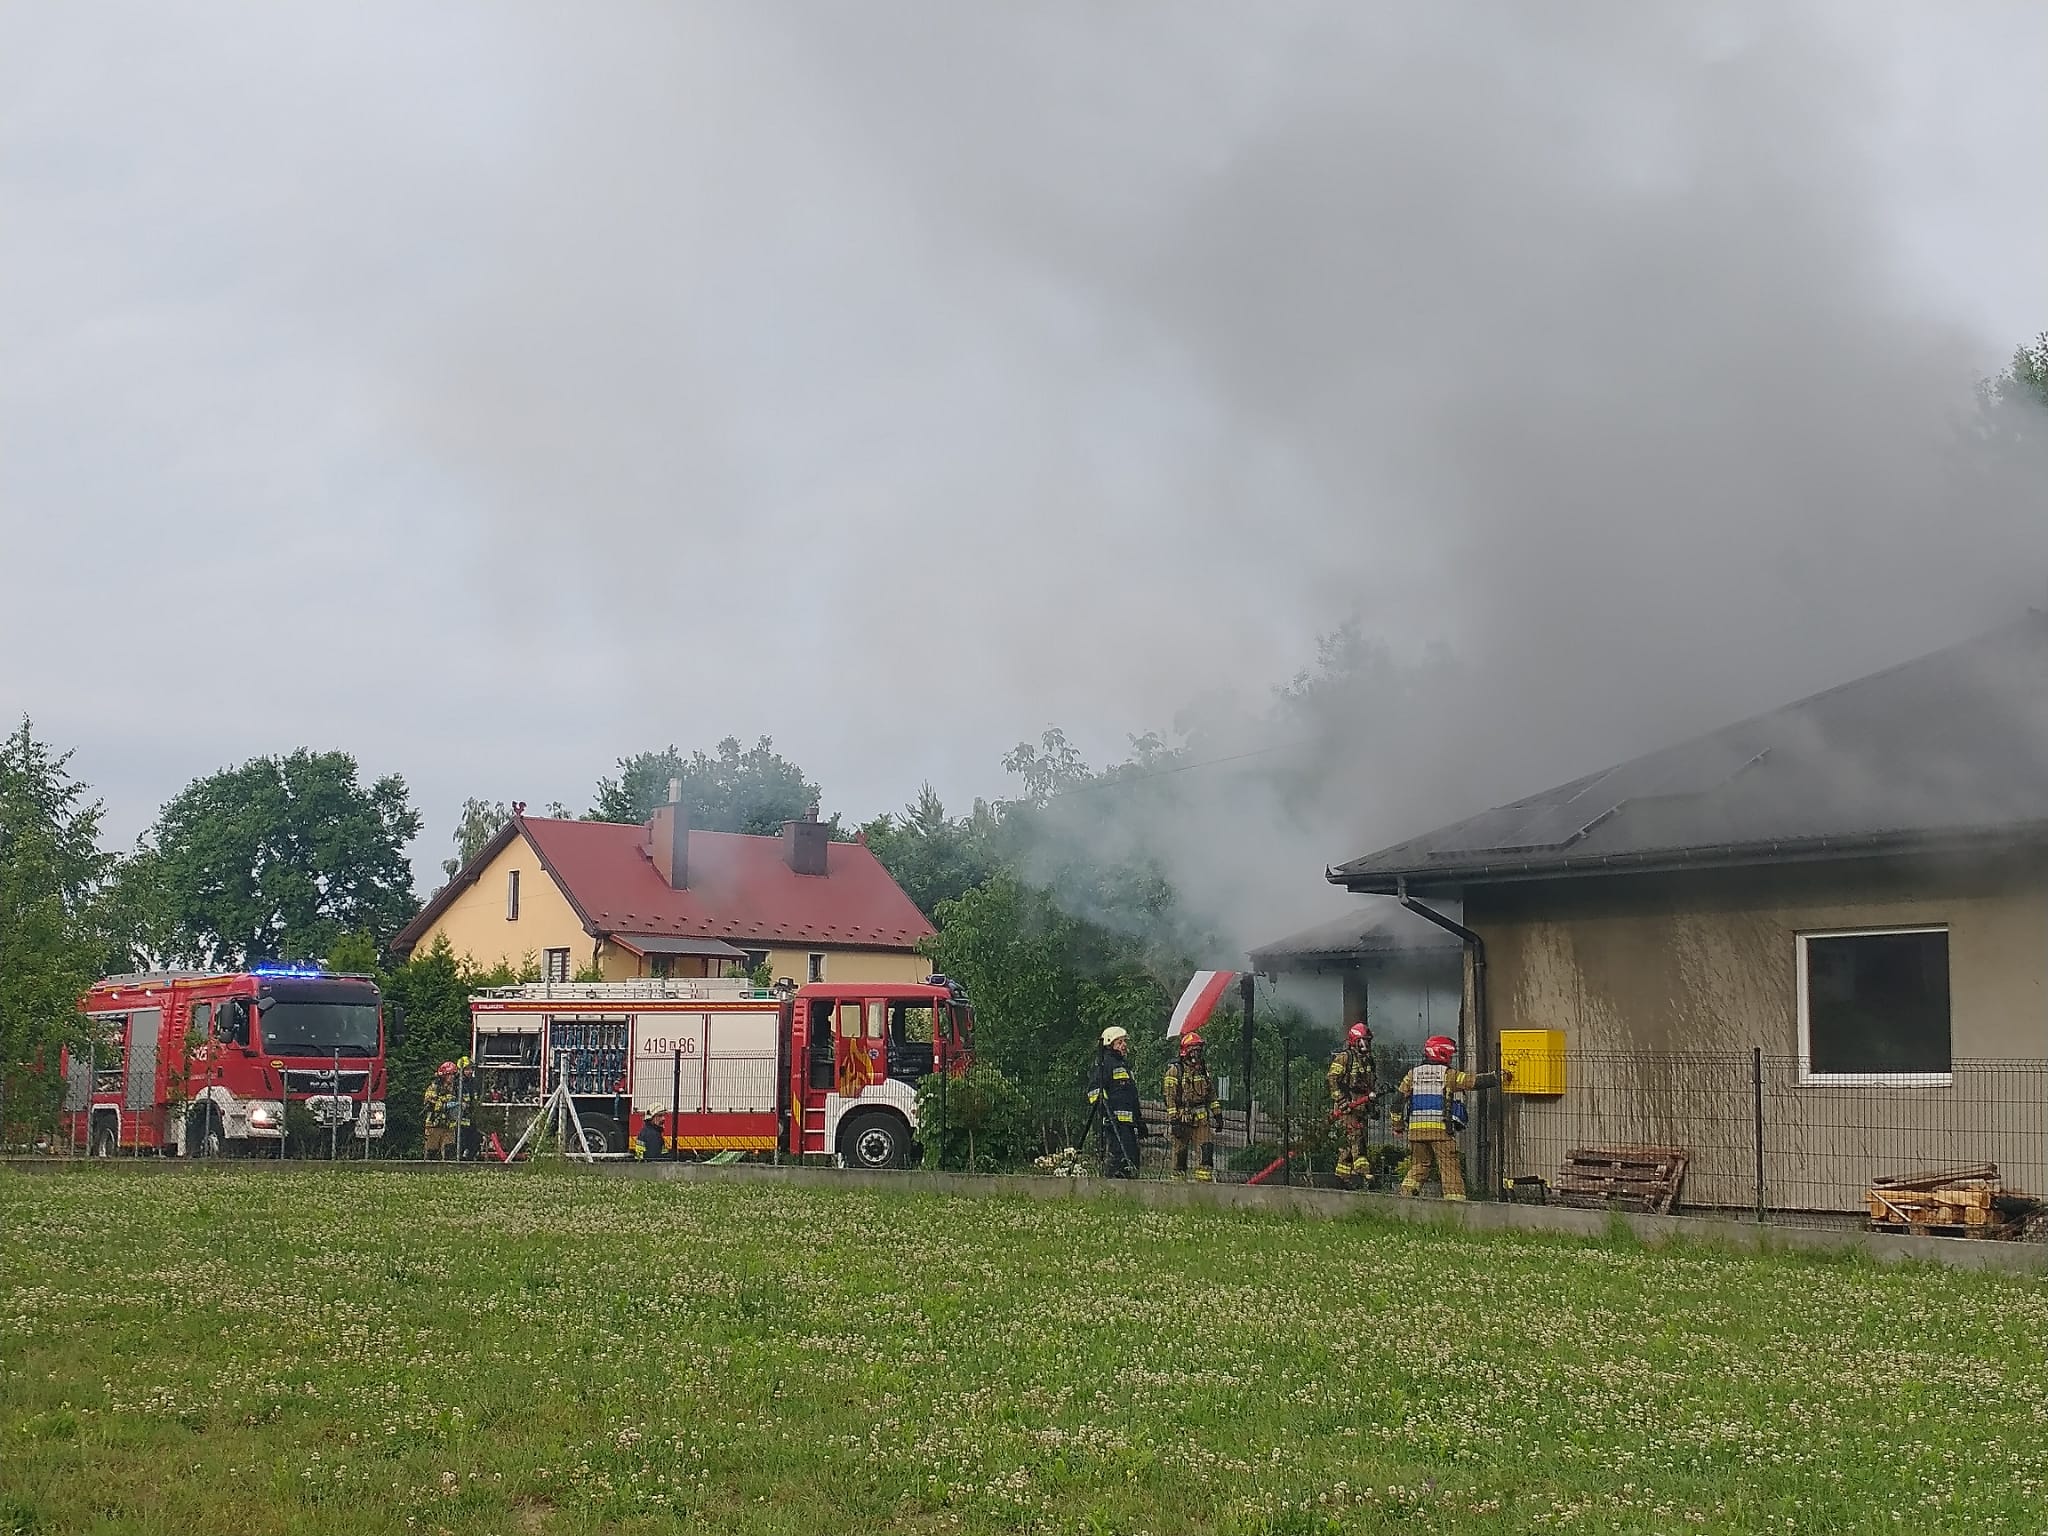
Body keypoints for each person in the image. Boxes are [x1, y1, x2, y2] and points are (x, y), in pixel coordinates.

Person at [1390, 1034, 1508, 1200]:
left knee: (1420, 1165)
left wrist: (1398, 1126)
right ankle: (1455, 1205)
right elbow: (1472, 1082)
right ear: (1442, 1053)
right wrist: (1498, 1077)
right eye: (1450, 1054)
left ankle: (1405, 1197)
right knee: (1449, 1166)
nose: (1451, 1058)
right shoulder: (1448, 1074)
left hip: (1416, 1132)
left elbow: (1396, 1102)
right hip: (1440, 1132)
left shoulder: (1412, 1074)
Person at [1086, 1026, 1145, 1178]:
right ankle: (1114, 1187)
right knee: (1119, 1158)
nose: (1124, 1045)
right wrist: (1106, 1113)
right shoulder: (1106, 1064)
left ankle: (1129, 1189)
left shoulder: (1124, 1066)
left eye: (1124, 1042)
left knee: (1132, 1157)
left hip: (1128, 1124)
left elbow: (1132, 1097)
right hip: (1115, 1123)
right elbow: (1094, 1090)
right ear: (1109, 1044)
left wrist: (1139, 1120)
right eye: (1120, 1042)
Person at [1163, 1030, 1222, 1182]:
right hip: (1182, 1119)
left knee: (1206, 1151)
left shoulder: (1203, 1070)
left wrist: (1217, 1114)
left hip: (1202, 1121)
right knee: (1180, 1156)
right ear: (1185, 1051)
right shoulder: (1175, 1070)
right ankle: (1178, 1186)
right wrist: (1174, 1120)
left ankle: (1204, 1185)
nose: (1196, 1053)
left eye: (1198, 1049)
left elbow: (1212, 1095)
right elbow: (1169, 1098)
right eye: (1193, 1049)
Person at [1327, 1021, 1378, 1188]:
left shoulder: (1368, 1061)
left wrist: (1372, 1107)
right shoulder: (1344, 1057)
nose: (1366, 1044)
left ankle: (1340, 1179)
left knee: (1348, 1146)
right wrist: (1341, 1101)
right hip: (1347, 1107)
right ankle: (1366, 1176)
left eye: (1368, 1041)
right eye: (1363, 1040)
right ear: (1355, 1041)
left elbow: (1369, 1085)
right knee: (1357, 1140)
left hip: (1361, 1107)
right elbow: (1332, 1079)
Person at [422, 1062, 455, 1160]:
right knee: (432, 1151)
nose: (452, 1077)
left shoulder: (455, 1088)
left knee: (449, 1150)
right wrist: (444, 1102)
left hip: (448, 1124)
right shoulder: (434, 1087)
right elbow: (429, 1101)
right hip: (434, 1124)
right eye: (449, 1074)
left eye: (453, 1074)